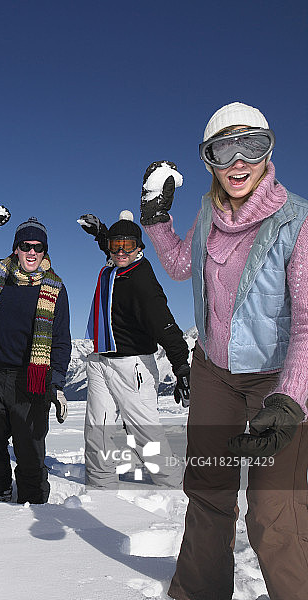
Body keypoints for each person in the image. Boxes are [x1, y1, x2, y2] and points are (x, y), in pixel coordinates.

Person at [141, 101, 308, 600]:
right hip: (215, 374)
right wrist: (156, 219)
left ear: (268, 150)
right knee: (208, 492)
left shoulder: (296, 221)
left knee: (273, 511)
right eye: (223, 149)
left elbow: (307, 325)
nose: (238, 161)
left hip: (275, 383)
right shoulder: (208, 216)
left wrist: (291, 400)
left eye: (251, 145)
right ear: (209, 160)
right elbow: (176, 265)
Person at [0, 208, 72, 504]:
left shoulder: (55, 289)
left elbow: (61, 341)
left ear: (44, 251)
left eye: (38, 247)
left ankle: (34, 502)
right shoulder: (1, 273)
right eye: (26, 246)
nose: (32, 252)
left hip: (33, 380)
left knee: (29, 448)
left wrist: (58, 384)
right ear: (16, 248)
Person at [78, 210, 190, 488]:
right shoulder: (113, 266)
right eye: (115, 245)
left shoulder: (140, 278)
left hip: (132, 366)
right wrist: (100, 232)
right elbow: (112, 245)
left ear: (140, 248)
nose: (120, 251)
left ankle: (174, 487)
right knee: (97, 429)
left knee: (145, 435)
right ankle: (99, 486)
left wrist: (181, 366)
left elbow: (165, 324)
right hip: (99, 360)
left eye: (127, 246)